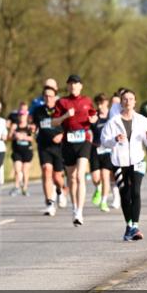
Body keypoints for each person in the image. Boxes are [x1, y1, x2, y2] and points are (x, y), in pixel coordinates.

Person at [101, 89, 147, 241]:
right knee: (125, 194)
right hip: (119, 162)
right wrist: (115, 139)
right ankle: (129, 225)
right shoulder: (114, 121)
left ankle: (135, 226)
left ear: (135, 102)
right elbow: (104, 141)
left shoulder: (142, 120)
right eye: (125, 99)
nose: (128, 102)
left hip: (137, 160)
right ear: (121, 102)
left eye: (131, 99)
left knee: (136, 192)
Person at [52, 75, 98, 226]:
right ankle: (74, 208)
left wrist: (93, 120)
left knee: (80, 176)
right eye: (71, 84)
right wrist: (65, 115)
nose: (73, 86)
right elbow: (53, 122)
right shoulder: (62, 102)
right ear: (68, 86)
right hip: (68, 142)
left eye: (76, 84)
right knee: (71, 178)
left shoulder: (87, 101)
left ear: (81, 86)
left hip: (84, 140)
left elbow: (94, 115)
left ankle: (80, 211)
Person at [32, 85, 67, 216]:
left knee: (57, 177)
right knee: (47, 171)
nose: (48, 98)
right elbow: (35, 125)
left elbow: (69, 126)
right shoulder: (38, 111)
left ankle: (61, 190)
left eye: (50, 96)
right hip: (44, 145)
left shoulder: (61, 110)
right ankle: (49, 203)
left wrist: (62, 135)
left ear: (55, 97)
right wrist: (32, 128)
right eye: (45, 96)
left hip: (58, 147)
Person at [89, 94, 115, 212]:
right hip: (95, 148)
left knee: (105, 176)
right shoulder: (94, 116)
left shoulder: (112, 116)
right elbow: (88, 129)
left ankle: (104, 202)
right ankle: (98, 188)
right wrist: (91, 122)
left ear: (107, 103)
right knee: (95, 178)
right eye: (98, 103)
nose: (100, 106)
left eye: (102, 103)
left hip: (108, 150)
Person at [8, 106, 34, 196]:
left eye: (23, 115)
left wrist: (23, 137)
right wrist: (14, 136)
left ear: (26, 116)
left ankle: (25, 188)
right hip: (17, 151)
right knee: (17, 169)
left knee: (25, 170)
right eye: (20, 115)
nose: (22, 117)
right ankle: (16, 187)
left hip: (27, 151)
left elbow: (33, 138)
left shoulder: (30, 126)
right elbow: (9, 137)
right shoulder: (15, 126)